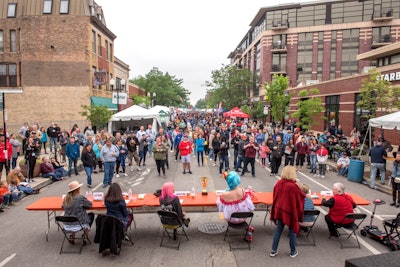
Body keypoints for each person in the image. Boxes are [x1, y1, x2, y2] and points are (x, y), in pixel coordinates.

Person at [270, 166, 305, 258]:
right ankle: (293, 251)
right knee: (292, 231)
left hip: (279, 210)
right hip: (290, 211)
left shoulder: (278, 183)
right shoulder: (293, 186)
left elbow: (275, 195)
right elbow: (301, 197)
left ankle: (273, 250)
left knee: (278, 230)